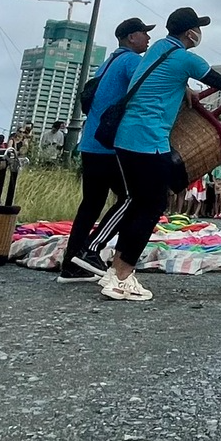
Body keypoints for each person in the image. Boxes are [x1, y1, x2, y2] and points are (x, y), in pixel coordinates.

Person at [99, 7, 221, 303]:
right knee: (152, 205)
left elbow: (157, 78)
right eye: (198, 29)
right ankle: (122, 275)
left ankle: (117, 269)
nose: (199, 33)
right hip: (147, 139)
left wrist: (184, 87)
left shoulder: (161, 49)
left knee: (141, 202)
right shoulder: (186, 58)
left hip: (127, 136)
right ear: (190, 33)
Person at [55, 17, 157, 282]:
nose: (148, 38)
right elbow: (150, 86)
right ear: (130, 37)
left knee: (90, 204)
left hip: (90, 143)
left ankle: (71, 264)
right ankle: (91, 251)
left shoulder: (108, 63)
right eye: (144, 33)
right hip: (111, 148)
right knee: (131, 198)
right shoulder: (132, 61)